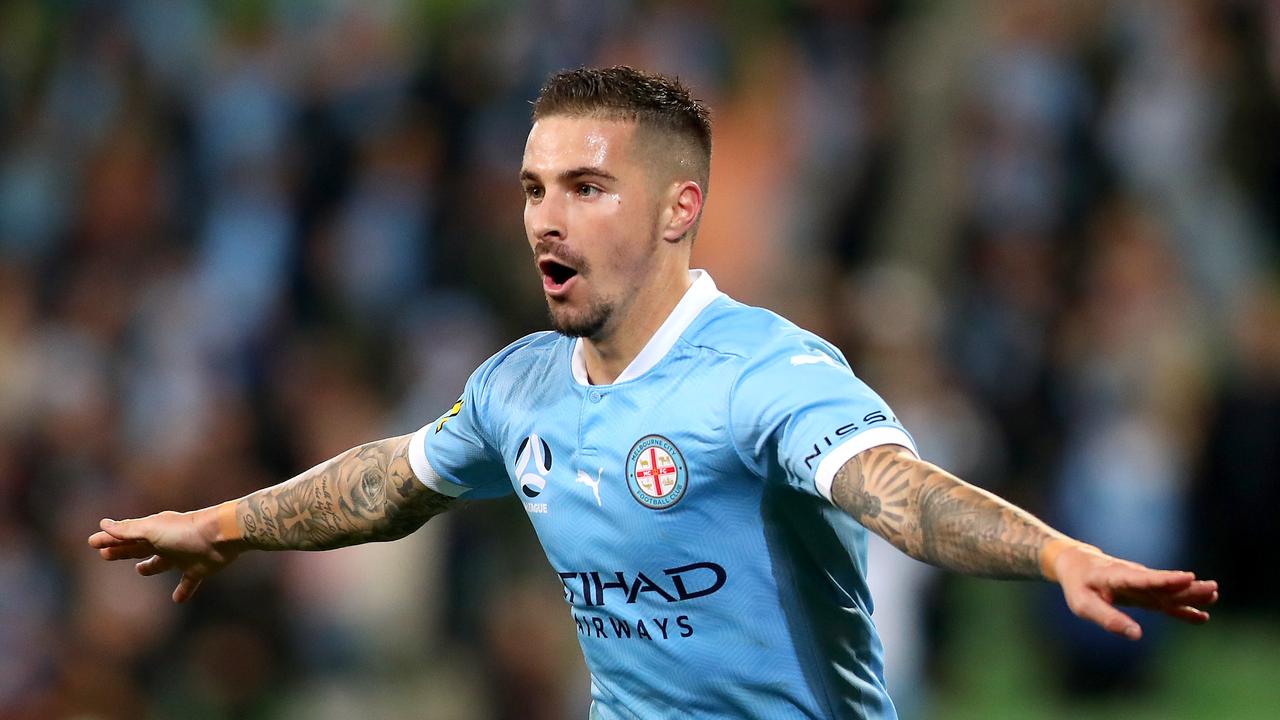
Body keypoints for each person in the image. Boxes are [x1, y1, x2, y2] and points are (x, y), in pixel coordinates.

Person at [89, 66, 1218, 720]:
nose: (545, 216)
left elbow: (896, 493)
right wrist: (228, 525)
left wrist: (1050, 554)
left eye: (586, 186)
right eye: (533, 187)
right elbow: (391, 480)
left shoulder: (767, 373)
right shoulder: (516, 388)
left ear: (679, 209)